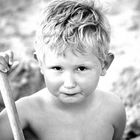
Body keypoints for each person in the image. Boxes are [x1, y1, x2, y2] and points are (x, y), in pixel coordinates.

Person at [0, 0, 126, 140]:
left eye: (81, 68)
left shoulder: (114, 109)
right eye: (57, 68)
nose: (69, 83)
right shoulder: (22, 113)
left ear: (105, 64)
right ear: (40, 64)